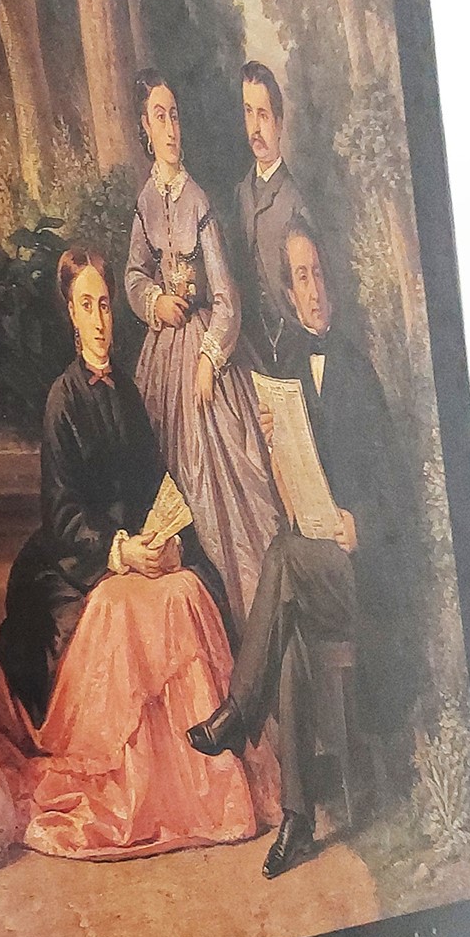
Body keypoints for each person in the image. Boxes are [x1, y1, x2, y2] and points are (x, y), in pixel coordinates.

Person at [0, 250, 275, 861]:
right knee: (126, 610)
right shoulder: (62, 398)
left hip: (140, 546)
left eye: (105, 305)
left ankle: (201, 786)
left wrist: (167, 542)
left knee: (189, 591)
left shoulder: (127, 393)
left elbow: (155, 487)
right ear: (70, 315)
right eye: (86, 306)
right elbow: (63, 515)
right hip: (80, 562)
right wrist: (120, 552)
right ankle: (142, 793)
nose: (100, 320)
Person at [189, 224, 398, 878]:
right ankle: (297, 820)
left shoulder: (358, 371)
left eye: (318, 274)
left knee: (280, 557)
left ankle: (238, 709)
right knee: (290, 628)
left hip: (359, 570)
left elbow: (396, 490)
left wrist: (360, 522)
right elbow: (294, 494)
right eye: (300, 277)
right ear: (287, 289)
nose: (313, 289)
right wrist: (277, 450)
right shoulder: (290, 372)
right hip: (315, 570)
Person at [122, 71, 286, 619]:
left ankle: (244, 624)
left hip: (202, 355)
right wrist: (154, 302)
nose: (172, 128)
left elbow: (227, 300)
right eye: (160, 117)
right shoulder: (145, 202)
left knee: (228, 492)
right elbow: (132, 275)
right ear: (145, 128)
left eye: (175, 115)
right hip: (159, 362)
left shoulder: (199, 201)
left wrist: (209, 358)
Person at [231, 62, 313, 362]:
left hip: (293, 350)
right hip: (250, 348)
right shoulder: (240, 194)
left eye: (263, 115)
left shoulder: (296, 201)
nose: (255, 128)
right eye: (248, 112)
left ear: (278, 123)